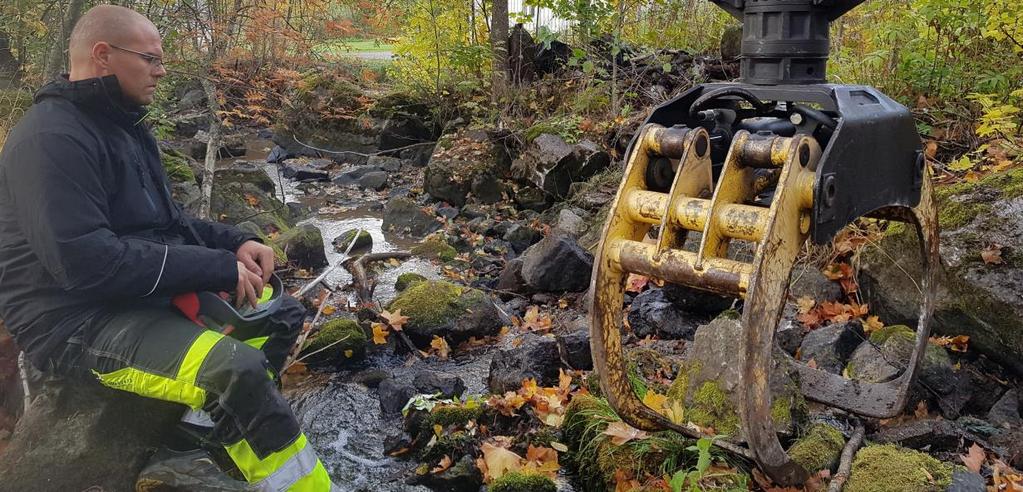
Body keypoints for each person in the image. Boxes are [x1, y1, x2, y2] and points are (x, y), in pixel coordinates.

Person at [0, 5, 335, 491]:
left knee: (278, 313)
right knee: (233, 369)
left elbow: (169, 223)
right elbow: (85, 265)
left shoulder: (126, 127)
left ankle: (204, 433)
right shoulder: (51, 139)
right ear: (103, 56)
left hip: (132, 298)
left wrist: (238, 242)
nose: (161, 71)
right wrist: (213, 268)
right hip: (74, 321)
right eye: (150, 59)